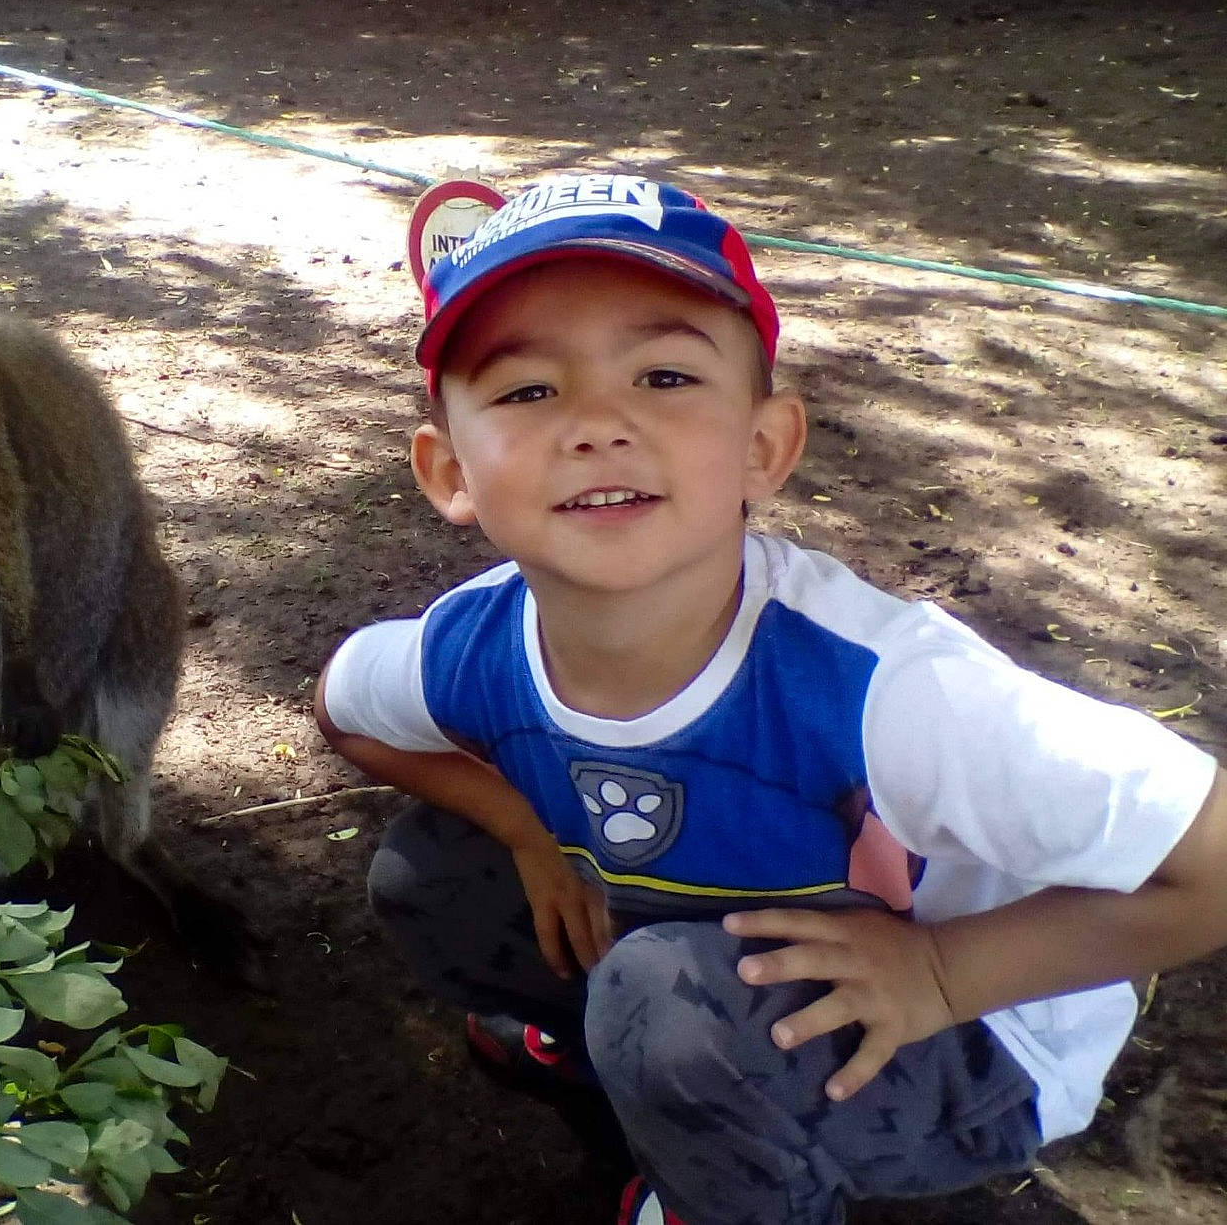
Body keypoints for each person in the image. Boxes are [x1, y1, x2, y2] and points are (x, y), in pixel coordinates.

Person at [312, 171, 1227, 1225]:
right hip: (716, 941)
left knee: (665, 1010)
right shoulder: (468, 646)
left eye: (661, 376)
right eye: (526, 391)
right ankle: (618, 1065)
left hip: (971, 1026)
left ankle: (730, 1192)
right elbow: (338, 711)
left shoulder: (885, 694)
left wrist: (940, 967)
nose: (597, 424)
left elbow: (1209, 859)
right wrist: (521, 829)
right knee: (428, 874)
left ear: (763, 447)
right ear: (446, 472)